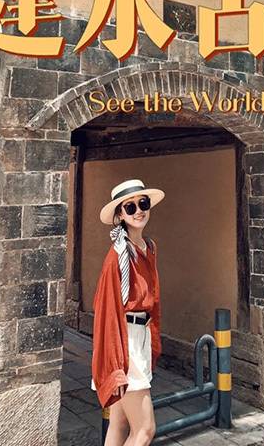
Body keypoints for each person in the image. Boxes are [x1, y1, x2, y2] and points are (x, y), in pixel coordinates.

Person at [91, 178, 165, 446]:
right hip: (125, 342)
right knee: (145, 429)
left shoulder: (149, 247)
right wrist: (116, 363)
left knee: (119, 423)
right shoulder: (118, 256)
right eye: (130, 207)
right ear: (120, 215)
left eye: (142, 203)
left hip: (140, 336)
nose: (139, 211)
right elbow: (107, 309)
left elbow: (153, 299)